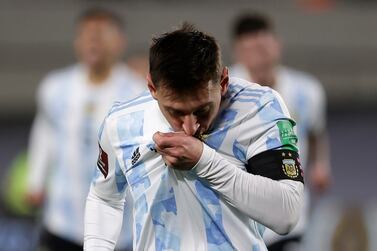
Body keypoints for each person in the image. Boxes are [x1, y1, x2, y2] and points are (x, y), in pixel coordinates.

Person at [84, 23, 304, 251]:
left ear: (223, 82)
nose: (189, 128)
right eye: (176, 112)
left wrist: (204, 161)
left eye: (202, 110)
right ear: (152, 87)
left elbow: (286, 214)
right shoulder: (122, 123)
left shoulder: (258, 108)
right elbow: (104, 198)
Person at [26, 8, 145, 251]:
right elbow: (44, 134)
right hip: (63, 221)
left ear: (119, 42)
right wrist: (35, 181)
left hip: (118, 228)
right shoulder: (55, 87)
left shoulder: (137, 92)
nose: (93, 41)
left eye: (101, 34)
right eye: (86, 35)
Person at [230, 13, 331, 250]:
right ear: (239, 52)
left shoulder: (307, 90)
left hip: (289, 213)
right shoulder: (225, 91)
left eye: (265, 47)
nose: (260, 55)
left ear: (277, 45)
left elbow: (316, 132)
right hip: (240, 217)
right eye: (252, 49)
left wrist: (321, 166)